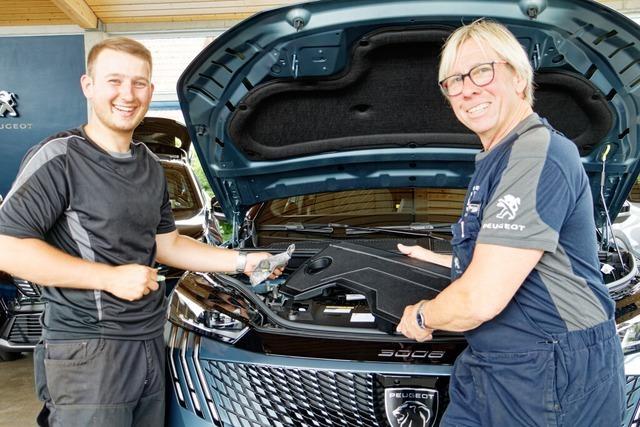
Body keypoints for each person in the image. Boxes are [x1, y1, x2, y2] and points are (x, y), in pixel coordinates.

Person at [0, 37, 280, 427]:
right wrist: (108, 278)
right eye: (114, 81)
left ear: (150, 90)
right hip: (88, 349)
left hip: (150, 338)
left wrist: (244, 261)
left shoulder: (149, 163)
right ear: (88, 86)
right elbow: (8, 248)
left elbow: (168, 244)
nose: (128, 95)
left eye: (139, 83)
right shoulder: (60, 157)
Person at [395, 19, 625, 426]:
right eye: (453, 81)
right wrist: (436, 259)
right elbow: (509, 254)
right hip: (497, 364)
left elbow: (480, 299)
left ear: (519, 77)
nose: (466, 89)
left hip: (552, 370)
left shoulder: (535, 155)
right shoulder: (500, 157)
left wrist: (421, 316)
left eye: (482, 71)